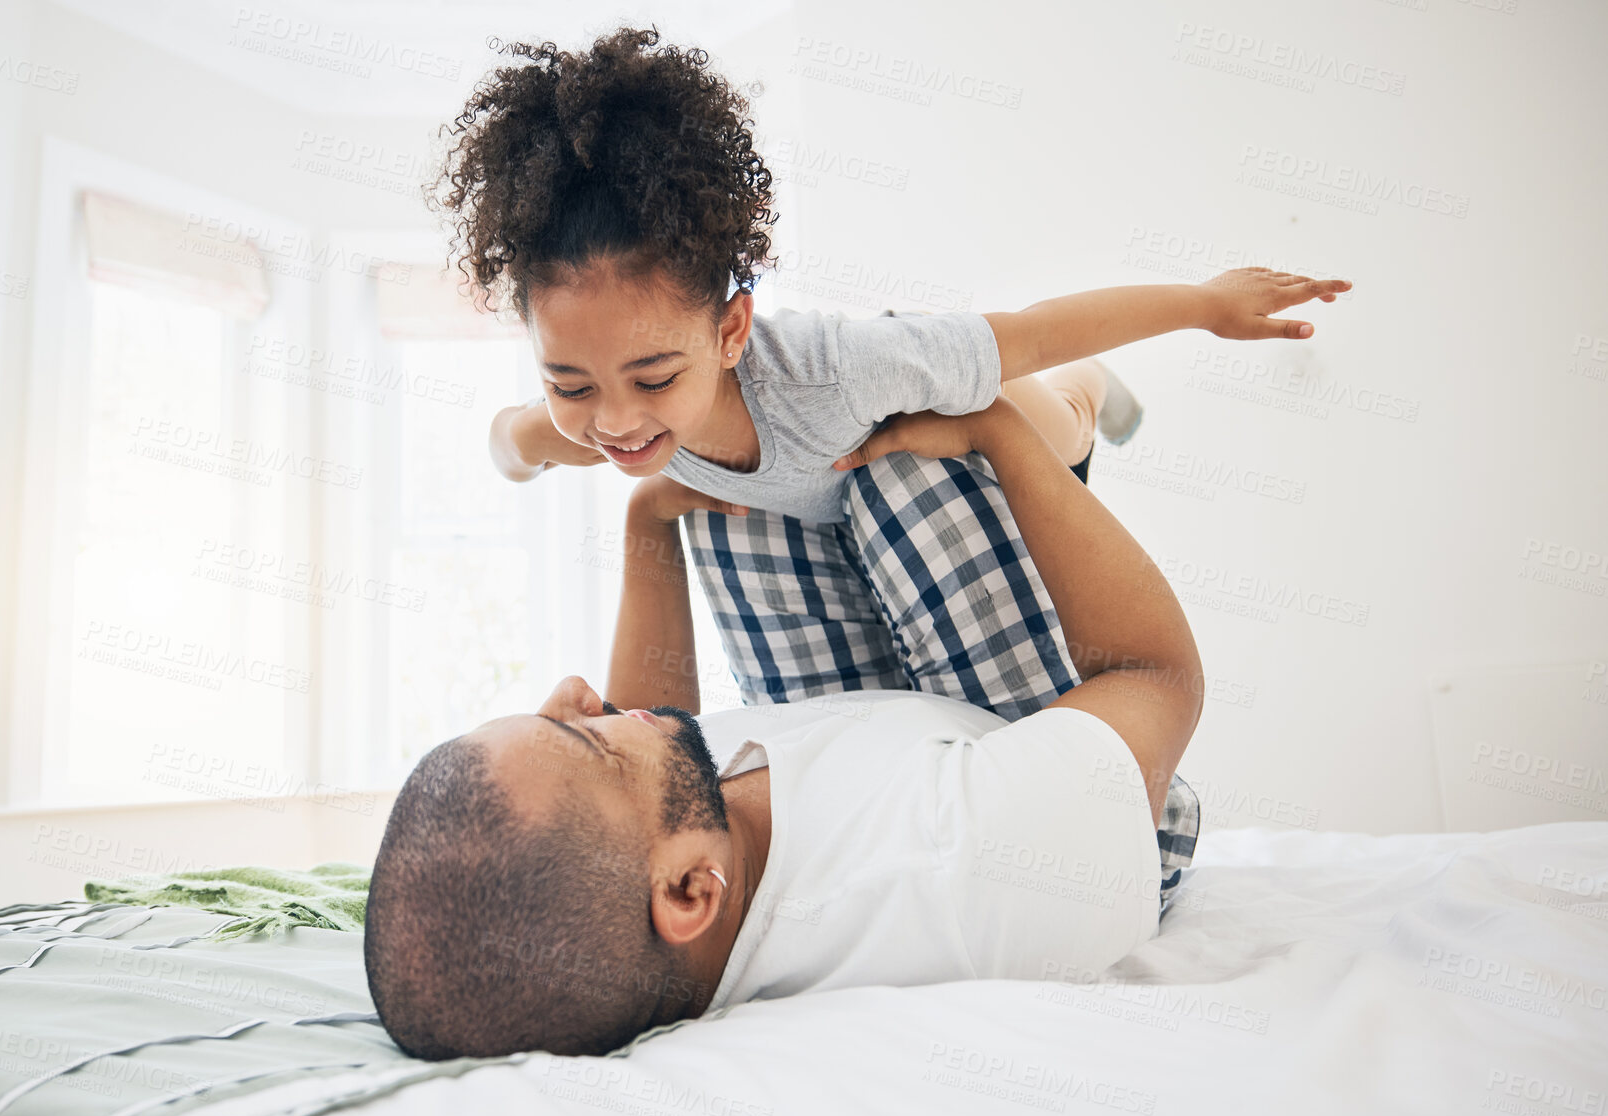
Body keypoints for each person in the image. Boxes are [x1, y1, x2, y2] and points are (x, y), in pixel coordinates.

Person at [440, 24, 1349, 711]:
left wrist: (1205, 304)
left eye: (650, 379)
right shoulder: (607, 427)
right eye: (570, 383)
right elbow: (507, 442)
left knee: (1053, 406)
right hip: (835, 505)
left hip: (960, 415)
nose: (615, 418)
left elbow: (1032, 329)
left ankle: (1099, 391)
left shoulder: (846, 373)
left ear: (730, 332)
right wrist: (535, 438)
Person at [363, 387, 1205, 1062]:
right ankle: (1085, 400)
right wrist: (999, 429)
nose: (580, 691)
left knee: (734, 495)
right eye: (581, 735)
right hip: (1087, 791)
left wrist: (646, 519)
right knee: (907, 469)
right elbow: (1155, 676)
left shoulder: (674, 870)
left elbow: (637, 750)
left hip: (898, 741)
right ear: (691, 890)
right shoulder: (962, 860)